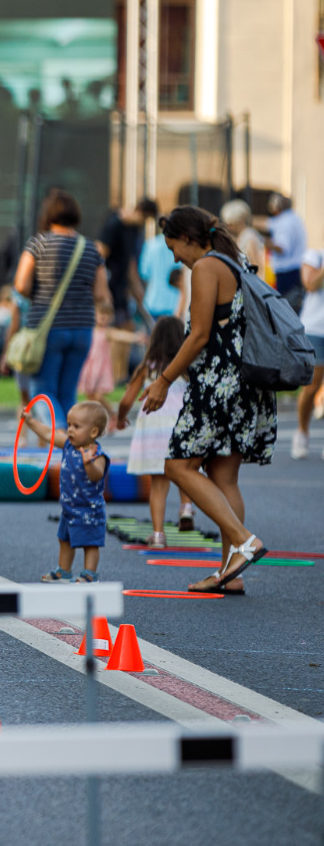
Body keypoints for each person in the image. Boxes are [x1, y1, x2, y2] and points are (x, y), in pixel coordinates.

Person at [143, 206, 274, 594]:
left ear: (188, 238)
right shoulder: (236, 262)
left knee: (177, 466)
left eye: (173, 248)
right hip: (247, 383)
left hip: (219, 385)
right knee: (223, 476)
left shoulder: (204, 268)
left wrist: (163, 380)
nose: (174, 257)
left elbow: (198, 335)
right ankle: (228, 571)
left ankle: (244, 540)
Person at [8, 189, 110, 425]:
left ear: (48, 214)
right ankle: (72, 448)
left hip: (47, 329)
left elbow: (21, 285)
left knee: (42, 393)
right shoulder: (91, 249)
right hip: (83, 328)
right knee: (67, 394)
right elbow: (101, 294)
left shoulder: (38, 244)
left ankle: (62, 438)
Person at [117, 317, 190, 548]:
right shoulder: (188, 368)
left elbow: (127, 398)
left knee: (158, 485)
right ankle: (186, 507)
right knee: (185, 473)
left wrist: (121, 417)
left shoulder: (148, 366)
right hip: (180, 426)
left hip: (155, 432)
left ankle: (158, 535)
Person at [31, 400, 112, 583]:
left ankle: (89, 573)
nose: (70, 430)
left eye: (76, 426)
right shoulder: (68, 445)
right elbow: (47, 434)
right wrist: (30, 422)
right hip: (69, 507)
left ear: (93, 432)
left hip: (89, 509)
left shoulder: (97, 454)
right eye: (69, 425)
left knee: (90, 543)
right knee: (64, 539)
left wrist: (88, 463)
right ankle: (63, 570)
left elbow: (96, 476)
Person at [97, 198, 155, 327]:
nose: (143, 223)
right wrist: (103, 288)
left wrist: (136, 287)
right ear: (139, 211)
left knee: (127, 325)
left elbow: (130, 262)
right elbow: (100, 255)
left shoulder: (133, 230)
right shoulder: (113, 223)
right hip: (109, 284)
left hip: (121, 287)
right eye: (144, 219)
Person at [289, 246, 324, 459]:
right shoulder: (315, 256)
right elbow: (310, 284)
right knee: (312, 387)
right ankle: (302, 431)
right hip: (316, 329)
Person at [266, 193, 307, 302]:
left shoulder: (284, 222)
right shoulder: (294, 217)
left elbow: (281, 247)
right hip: (296, 267)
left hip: (286, 271)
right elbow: (267, 223)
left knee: (286, 304)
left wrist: (265, 243)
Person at [219, 199, 267, 282]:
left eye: (231, 224)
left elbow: (256, 265)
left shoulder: (249, 236)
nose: (228, 228)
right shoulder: (242, 236)